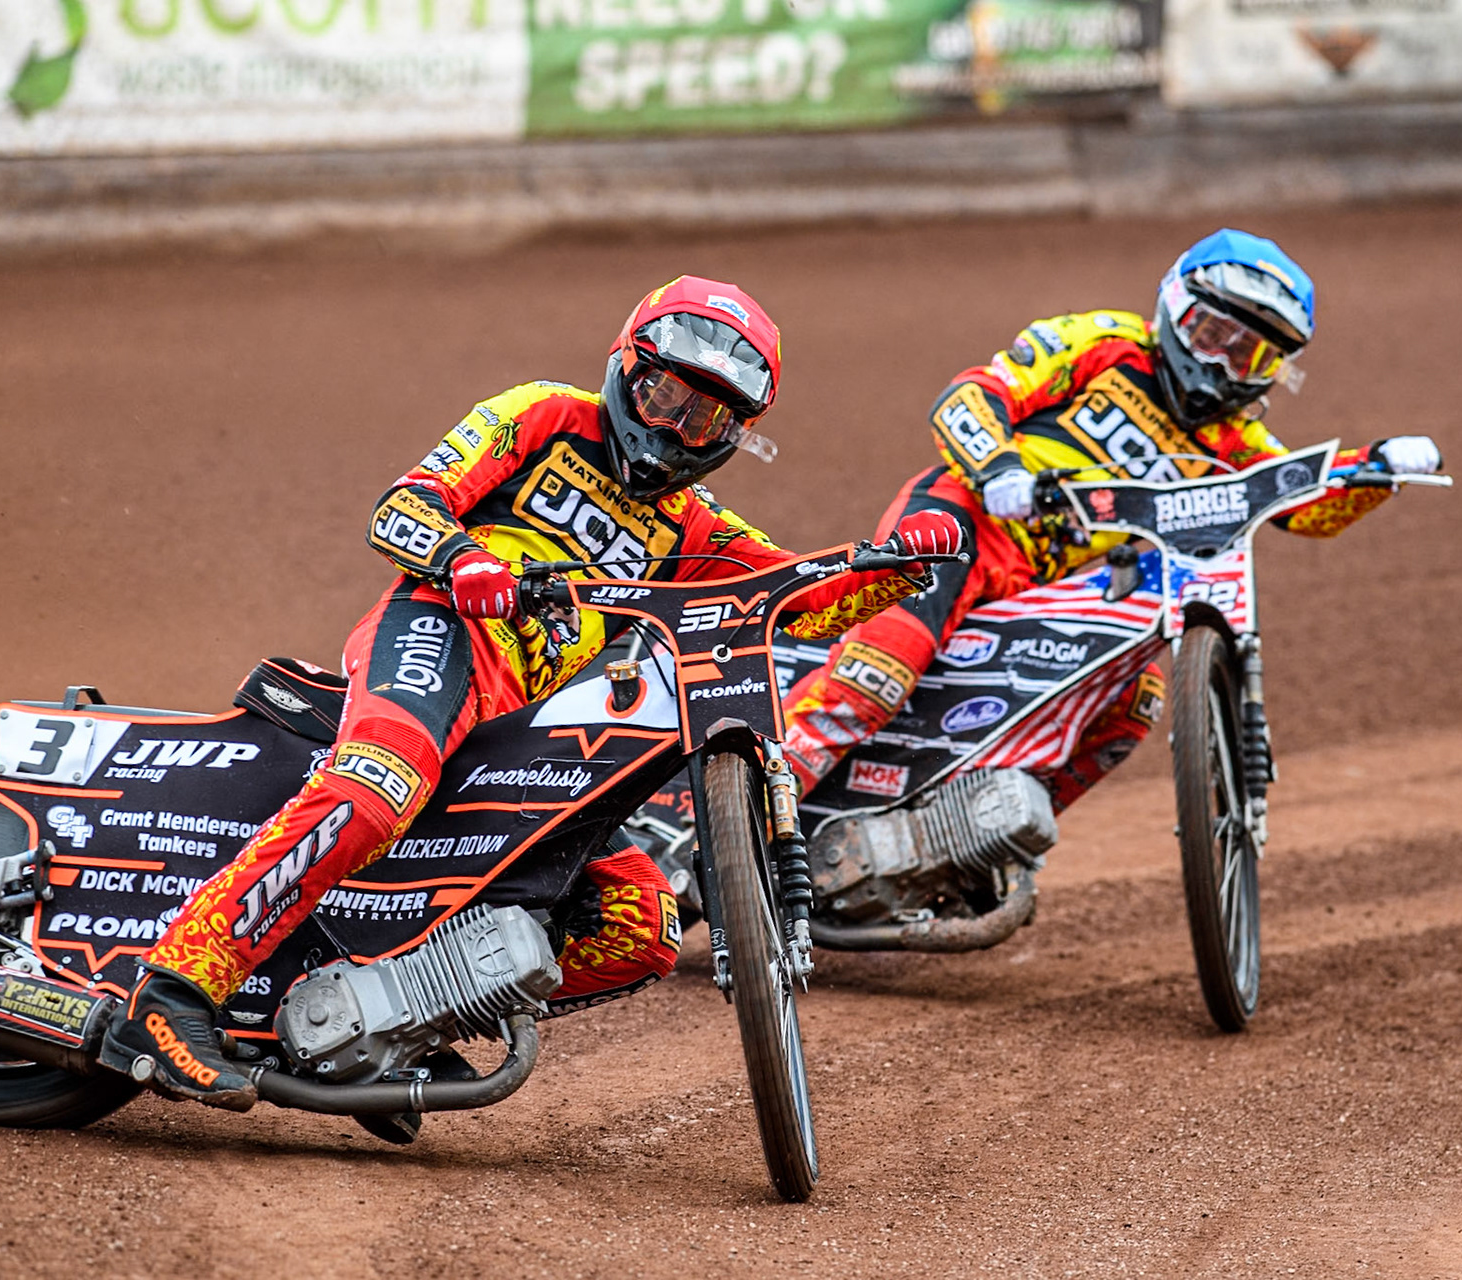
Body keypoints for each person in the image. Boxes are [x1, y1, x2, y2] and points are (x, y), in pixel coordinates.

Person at [98, 275, 968, 1109]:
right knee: (379, 785)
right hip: (438, 635)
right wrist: (460, 558)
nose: (674, 426)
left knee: (643, 923)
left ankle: (397, 1020)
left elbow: (799, 600)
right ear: (626, 367)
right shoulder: (544, 413)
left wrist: (900, 563)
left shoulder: (698, 527)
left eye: (704, 416)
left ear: (733, 436)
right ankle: (173, 991)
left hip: (524, 726)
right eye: (664, 394)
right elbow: (400, 507)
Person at [778, 228, 1444, 805]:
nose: (1220, 362)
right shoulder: (1103, 343)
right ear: (1175, 310)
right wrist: (998, 469)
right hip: (966, 527)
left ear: (1274, 371)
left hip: (1061, 588)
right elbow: (972, 394)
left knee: (1133, 700)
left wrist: (1377, 466)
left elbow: (1298, 502)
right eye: (1211, 334)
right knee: (877, 676)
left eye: (1249, 354)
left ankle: (982, 833)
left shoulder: (1233, 441)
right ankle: (754, 814)